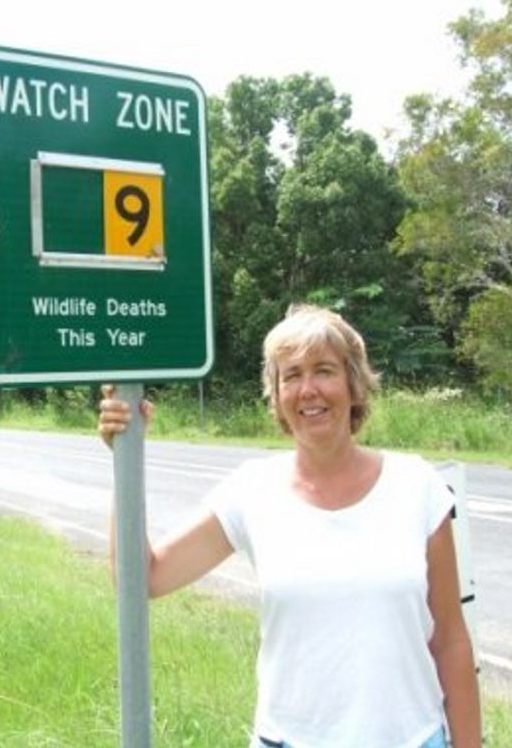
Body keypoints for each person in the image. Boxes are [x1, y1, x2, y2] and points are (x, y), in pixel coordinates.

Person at [98, 304, 481, 748]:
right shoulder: (251, 489)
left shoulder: (417, 486)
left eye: (324, 371)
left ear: (353, 384)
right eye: (292, 375)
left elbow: (451, 641)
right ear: (277, 394)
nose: (308, 390)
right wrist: (126, 457)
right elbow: (144, 577)